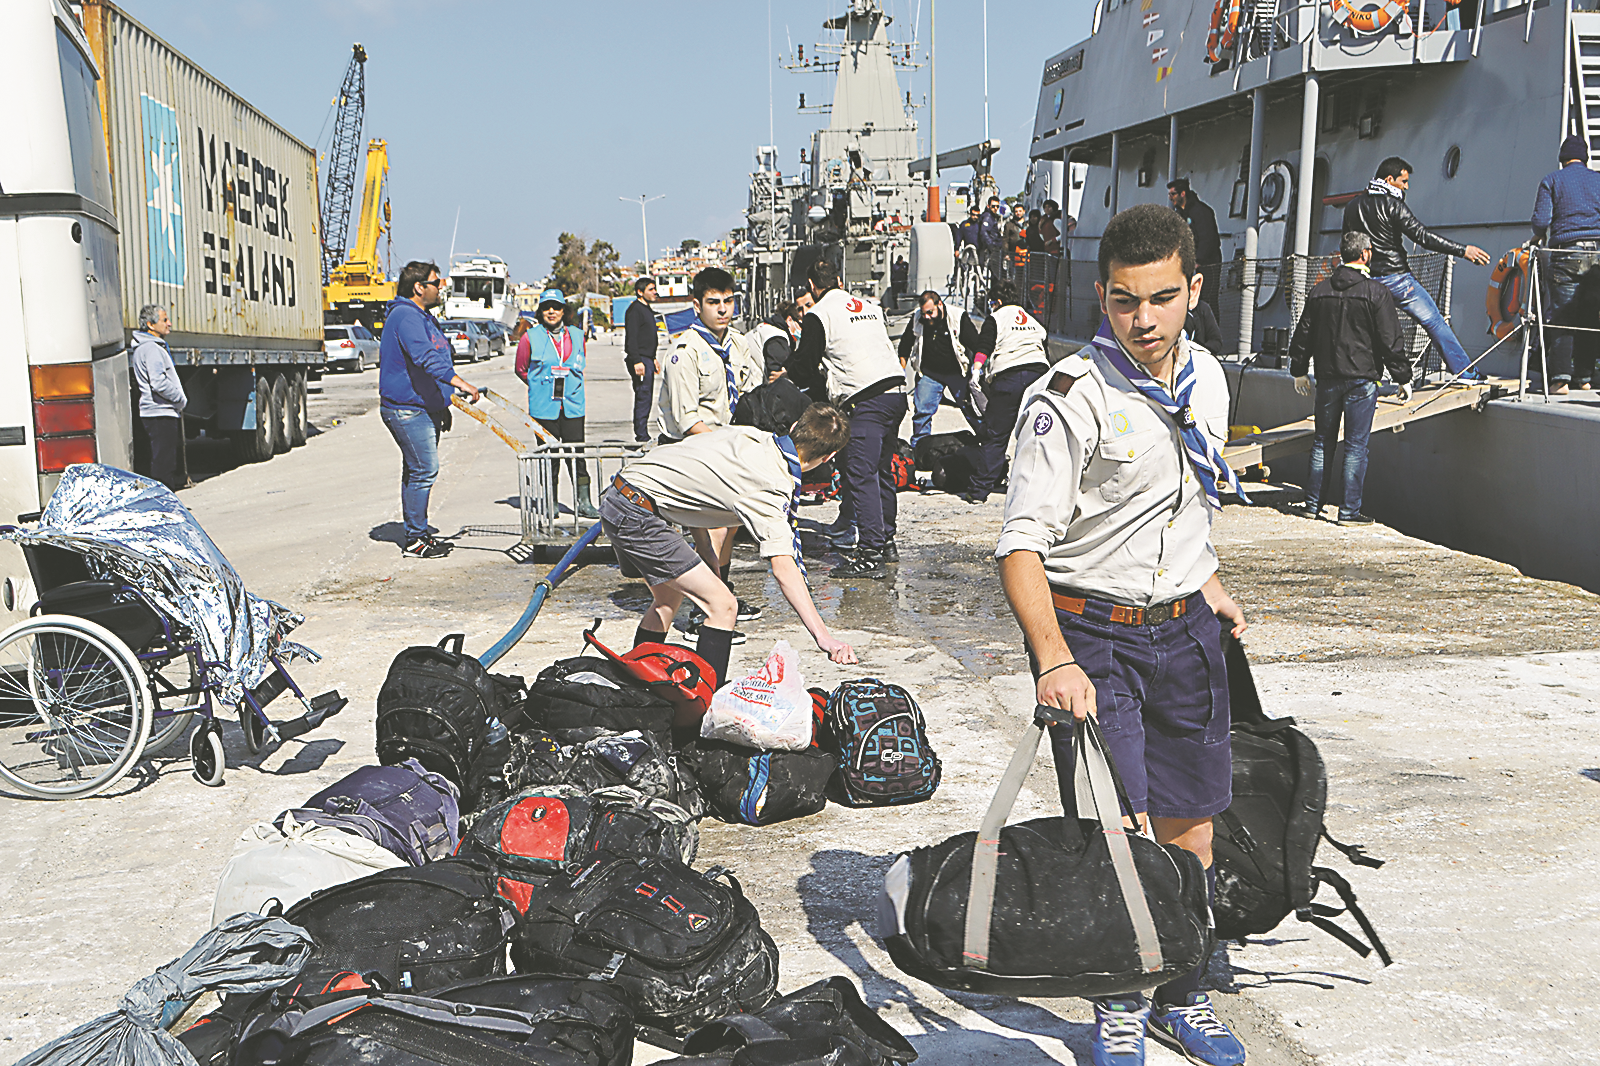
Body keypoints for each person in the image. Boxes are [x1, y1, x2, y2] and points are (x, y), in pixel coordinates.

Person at [997, 203, 1248, 1066]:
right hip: (1093, 638)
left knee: (1192, 827)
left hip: (1185, 636)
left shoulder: (1207, 378)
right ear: (1099, 296)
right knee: (1120, 833)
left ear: (1193, 290)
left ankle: (1181, 990)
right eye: (1121, 301)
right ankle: (1118, 1002)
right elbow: (1021, 546)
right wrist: (1054, 659)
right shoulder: (1067, 400)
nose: (1142, 321)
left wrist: (1205, 578)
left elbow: (1185, 498)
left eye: (1161, 299)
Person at [601, 406, 859, 690]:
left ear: (796, 423)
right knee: (723, 606)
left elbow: (695, 477)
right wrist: (823, 636)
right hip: (636, 513)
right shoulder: (770, 486)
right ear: (828, 458)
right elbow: (784, 569)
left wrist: (707, 553)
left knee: (668, 598)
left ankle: (636, 685)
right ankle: (702, 706)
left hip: (624, 492)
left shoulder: (751, 437)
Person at [657, 267, 766, 638]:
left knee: (730, 526)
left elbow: (751, 395)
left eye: (728, 301)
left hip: (729, 446)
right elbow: (687, 419)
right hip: (693, 448)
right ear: (696, 304)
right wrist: (724, 450)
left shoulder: (738, 344)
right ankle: (703, 613)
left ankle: (724, 591)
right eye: (713, 302)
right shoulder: (684, 351)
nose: (722, 309)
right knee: (709, 531)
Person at [794, 259, 909, 579]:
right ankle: (886, 541)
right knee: (882, 469)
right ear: (840, 281)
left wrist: (786, 372)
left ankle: (870, 552)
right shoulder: (869, 306)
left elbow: (806, 363)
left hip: (866, 401)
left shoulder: (820, 313)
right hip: (896, 392)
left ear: (812, 287)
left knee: (861, 473)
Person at [1288, 231, 1411, 526]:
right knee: (1356, 446)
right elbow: (1389, 340)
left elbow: (1303, 335)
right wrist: (1403, 377)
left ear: (1343, 254)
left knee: (1322, 442)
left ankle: (1311, 504)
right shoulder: (1376, 293)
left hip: (1328, 377)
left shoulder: (1319, 292)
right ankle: (1348, 512)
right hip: (1362, 379)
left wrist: (1299, 370)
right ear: (1366, 254)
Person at [1343, 156, 1492, 379]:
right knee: (1434, 322)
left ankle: (1365, 377)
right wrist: (1463, 250)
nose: (1407, 187)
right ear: (1389, 179)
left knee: (1367, 332)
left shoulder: (1353, 206)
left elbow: (1347, 243)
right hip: (1398, 280)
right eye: (1403, 181)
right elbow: (1422, 236)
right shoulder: (1394, 205)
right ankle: (1466, 373)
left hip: (1367, 282)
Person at [379, 260, 482, 559]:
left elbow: (434, 360)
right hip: (406, 409)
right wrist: (460, 383)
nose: (441, 288)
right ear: (418, 287)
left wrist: (442, 404)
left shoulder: (423, 317)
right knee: (424, 469)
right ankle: (415, 539)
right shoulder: (406, 317)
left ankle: (417, 533)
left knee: (415, 471)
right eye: (436, 283)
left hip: (423, 408)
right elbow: (426, 358)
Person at [962, 280, 1052, 504]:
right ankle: (1036, 488)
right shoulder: (1033, 320)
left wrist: (976, 369)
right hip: (1040, 377)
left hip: (1009, 377)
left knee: (996, 437)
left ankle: (979, 490)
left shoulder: (997, 318)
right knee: (1036, 434)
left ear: (998, 302)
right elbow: (1043, 348)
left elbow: (985, 346)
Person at [1532, 134, 1600, 394]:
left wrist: (1537, 237)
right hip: (1597, 256)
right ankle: (1584, 377)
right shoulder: (1598, 180)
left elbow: (1541, 221)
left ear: (1562, 159)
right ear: (1585, 158)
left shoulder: (1552, 180)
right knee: (1590, 317)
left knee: (1562, 316)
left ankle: (1560, 380)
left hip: (1567, 253)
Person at [521, 288, 595, 518]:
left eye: (556, 307)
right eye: (546, 307)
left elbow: (579, 363)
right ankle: (550, 500)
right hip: (544, 406)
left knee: (577, 456)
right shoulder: (530, 337)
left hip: (572, 404)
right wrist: (539, 385)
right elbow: (521, 369)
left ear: (564, 310)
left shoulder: (577, 335)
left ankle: (584, 501)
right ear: (540, 311)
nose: (551, 311)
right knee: (549, 457)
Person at [899, 290, 973, 447]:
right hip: (929, 374)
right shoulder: (918, 318)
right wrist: (901, 374)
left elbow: (976, 344)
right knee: (922, 412)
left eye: (930, 312)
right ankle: (919, 446)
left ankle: (985, 442)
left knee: (971, 409)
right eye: (924, 313)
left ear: (940, 304)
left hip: (956, 373)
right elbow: (905, 345)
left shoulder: (957, 317)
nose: (926, 317)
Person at [130, 304, 186, 491]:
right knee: (164, 465)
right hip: (160, 413)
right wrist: (179, 399)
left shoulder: (145, 348)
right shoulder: (152, 349)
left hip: (156, 412)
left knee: (158, 462)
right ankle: (165, 507)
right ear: (150, 325)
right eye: (164, 320)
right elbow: (158, 382)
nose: (169, 323)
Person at [1167, 179, 1222, 318]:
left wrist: (1198, 260)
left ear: (1183, 194)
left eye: (1173, 194)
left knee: (1207, 300)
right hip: (1189, 265)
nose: (1171, 198)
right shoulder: (1179, 214)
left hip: (1208, 265)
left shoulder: (1201, 212)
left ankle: (1210, 334)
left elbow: (1208, 238)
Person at [624, 277, 660, 440]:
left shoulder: (647, 309)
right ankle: (641, 434)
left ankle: (643, 431)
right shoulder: (635, 310)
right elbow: (632, 338)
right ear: (640, 292)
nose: (655, 292)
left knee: (647, 395)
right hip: (639, 360)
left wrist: (653, 358)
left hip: (647, 358)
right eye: (651, 289)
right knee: (643, 395)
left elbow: (647, 337)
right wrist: (637, 360)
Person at [747, 301, 801, 383]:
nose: (801, 329)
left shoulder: (766, 328)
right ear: (789, 320)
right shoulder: (777, 337)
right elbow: (775, 376)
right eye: (800, 324)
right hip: (754, 386)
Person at [980, 196, 1006, 281]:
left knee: (997, 273)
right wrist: (991, 245)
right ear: (988, 206)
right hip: (994, 248)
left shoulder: (992, 217)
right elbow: (984, 232)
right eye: (993, 206)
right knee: (997, 273)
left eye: (997, 206)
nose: (995, 208)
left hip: (996, 246)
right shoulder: (988, 217)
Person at [1004, 202, 1028, 280]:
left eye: (1020, 211)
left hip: (1026, 254)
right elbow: (1005, 239)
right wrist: (1006, 253)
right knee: (1014, 275)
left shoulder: (1027, 224)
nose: (1018, 213)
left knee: (1025, 275)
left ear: (1024, 211)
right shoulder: (1009, 225)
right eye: (1016, 211)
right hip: (1013, 254)